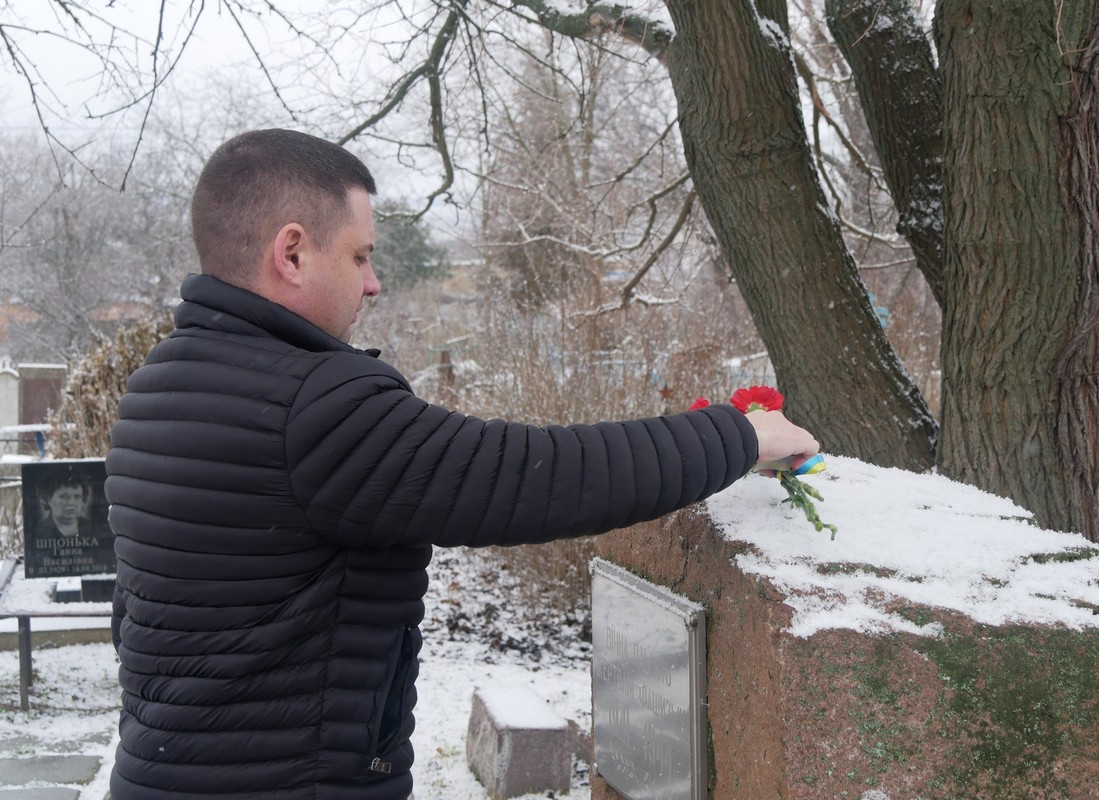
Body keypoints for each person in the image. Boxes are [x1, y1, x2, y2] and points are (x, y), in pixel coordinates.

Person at [104, 128, 820, 800]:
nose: (374, 281)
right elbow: (533, 476)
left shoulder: (162, 383)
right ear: (291, 253)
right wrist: (740, 435)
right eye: (359, 256)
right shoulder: (312, 404)